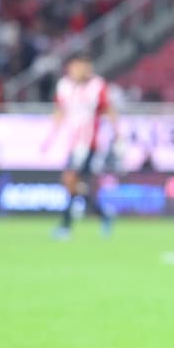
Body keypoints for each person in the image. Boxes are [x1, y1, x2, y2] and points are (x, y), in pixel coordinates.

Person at [42, 54, 120, 239]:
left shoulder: (97, 85)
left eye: (85, 66)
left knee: (70, 180)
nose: (81, 70)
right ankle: (103, 215)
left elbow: (108, 109)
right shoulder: (64, 86)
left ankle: (66, 226)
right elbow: (60, 112)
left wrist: (117, 133)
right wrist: (49, 138)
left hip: (91, 144)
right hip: (73, 143)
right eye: (77, 66)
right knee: (78, 186)